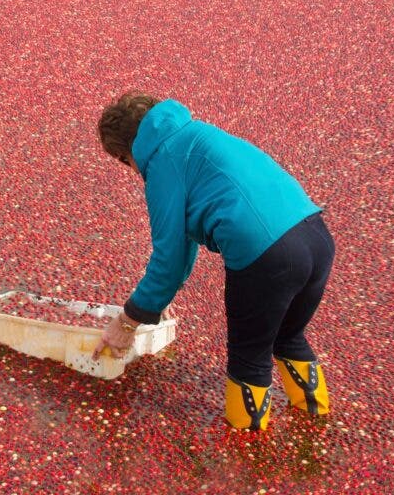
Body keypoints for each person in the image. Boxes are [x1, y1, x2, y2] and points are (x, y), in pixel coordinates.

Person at [92, 92, 335, 430]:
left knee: (249, 359)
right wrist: (154, 304)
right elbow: (184, 245)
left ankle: (249, 452)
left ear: (125, 155)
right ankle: (316, 422)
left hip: (267, 256)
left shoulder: (161, 162)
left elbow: (169, 256)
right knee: (287, 337)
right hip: (316, 237)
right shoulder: (198, 135)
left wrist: (128, 322)